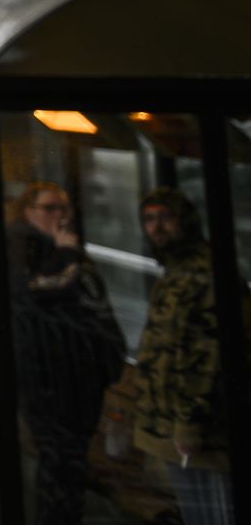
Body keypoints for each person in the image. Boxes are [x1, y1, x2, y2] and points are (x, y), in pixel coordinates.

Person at [4, 181, 125, 525]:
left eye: (64, 208)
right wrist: (66, 254)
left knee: (71, 464)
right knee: (60, 465)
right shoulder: (24, 246)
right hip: (49, 377)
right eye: (50, 208)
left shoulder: (59, 245)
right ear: (28, 212)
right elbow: (37, 291)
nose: (60, 216)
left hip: (79, 375)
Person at [132, 188, 237, 525]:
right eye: (149, 220)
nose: (157, 228)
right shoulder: (175, 272)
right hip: (174, 427)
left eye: (165, 218)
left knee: (214, 514)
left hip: (200, 431)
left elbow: (208, 354)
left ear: (184, 222)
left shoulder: (202, 273)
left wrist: (190, 422)